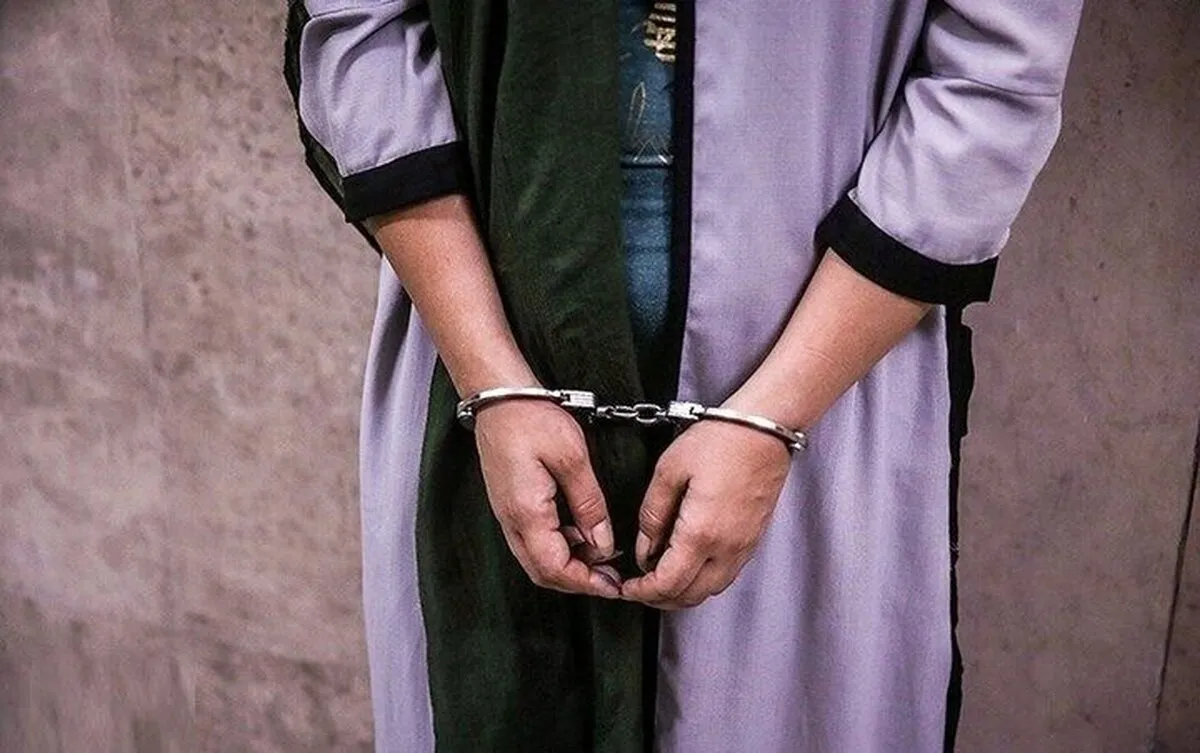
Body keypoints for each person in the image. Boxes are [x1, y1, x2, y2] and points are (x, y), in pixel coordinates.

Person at [283, 2, 1083, 751]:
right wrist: (488, 377)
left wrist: (776, 412)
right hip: (477, 387)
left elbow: (995, 75)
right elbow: (356, 24)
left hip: (827, 395)